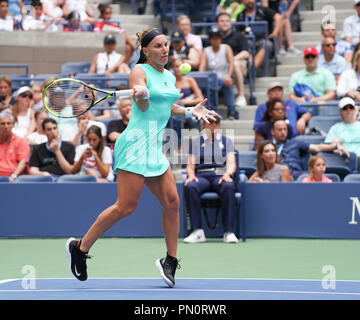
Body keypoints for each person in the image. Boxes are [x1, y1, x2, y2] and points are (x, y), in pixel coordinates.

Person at [65, 27, 217, 287]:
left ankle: (170, 260)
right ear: (145, 50)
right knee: (126, 206)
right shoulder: (139, 72)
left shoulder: (169, 76)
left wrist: (191, 111)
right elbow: (145, 104)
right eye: (158, 46)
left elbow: (167, 107)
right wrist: (141, 95)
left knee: (172, 202)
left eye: (166, 45)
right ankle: (80, 248)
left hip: (155, 147)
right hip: (135, 144)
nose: (164, 50)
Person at [183, 115, 239, 243]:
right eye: (210, 123)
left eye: (216, 123)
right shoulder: (196, 142)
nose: (213, 126)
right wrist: (191, 175)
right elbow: (190, 166)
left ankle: (228, 232)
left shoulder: (227, 141)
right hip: (202, 176)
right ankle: (197, 231)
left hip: (220, 176)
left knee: (228, 186)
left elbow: (231, 163)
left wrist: (228, 174)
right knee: (190, 186)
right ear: (203, 126)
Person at [271, 119, 348, 180]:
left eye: (285, 129)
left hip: (295, 174)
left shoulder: (295, 143)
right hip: (273, 173)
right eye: (280, 129)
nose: (283, 132)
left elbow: (317, 148)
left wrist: (335, 145)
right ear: (272, 131)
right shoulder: (267, 146)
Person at [199, 26, 237, 119]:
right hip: (211, 80)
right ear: (210, 40)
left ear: (220, 39)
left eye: (217, 38)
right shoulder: (206, 51)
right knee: (208, 86)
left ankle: (231, 110)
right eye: (213, 38)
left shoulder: (226, 48)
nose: (215, 40)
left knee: (228, 83)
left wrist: (229, 76)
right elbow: (202, 68)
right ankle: (212, 110)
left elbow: (232, 63)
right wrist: (203, 78)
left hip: (224, 78)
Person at [216, 12, 249, 107]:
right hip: (219, 64)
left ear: (230, 23)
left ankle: (241, 96)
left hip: (237, 62)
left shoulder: (238, 35)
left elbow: (246, 53)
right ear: (217, 23)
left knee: (234, 64)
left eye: (227, 21)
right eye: (222, 21)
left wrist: (231, 59)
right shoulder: (214, 37)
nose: (224, 23)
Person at [236, 0, 282, 68]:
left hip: (263, 39)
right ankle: (251, 67)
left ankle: (253, 68)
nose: (249, 1)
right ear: (242, 1)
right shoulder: (240, 15)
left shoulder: (263, 10)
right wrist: (243, 33)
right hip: (248, 40)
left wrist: (275, 32)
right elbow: (238, 33)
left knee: (267, 45)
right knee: (245, 45)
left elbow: (278, 17)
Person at [324, 97, 360, 168]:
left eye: (351, 107)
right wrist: (336, 144)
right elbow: (329, 146)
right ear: (340, 111)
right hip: (342, 160)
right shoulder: (335, 128)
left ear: (355, 109)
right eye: (345, 108)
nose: (348, 110)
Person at [0, 111, 30, 182]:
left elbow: (23, 162)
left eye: (8, 123)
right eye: (2, 124)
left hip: (15, 179)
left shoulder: (20, 141)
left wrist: (13, 177)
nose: (6, 126)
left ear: (13, 125)